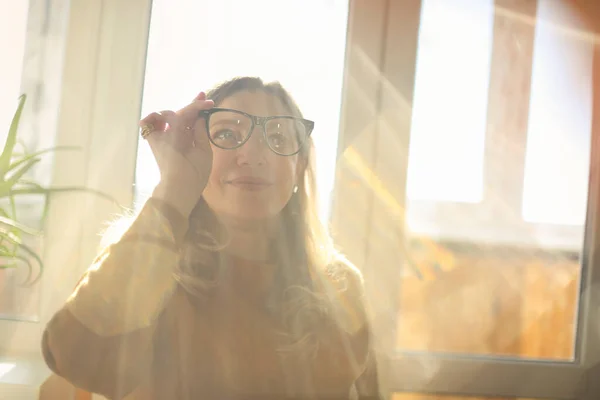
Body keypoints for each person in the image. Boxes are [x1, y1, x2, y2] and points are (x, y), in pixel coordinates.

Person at [41, 77, 380, 399]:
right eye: (229, 135)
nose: (253, 155)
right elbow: (77, 358)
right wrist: (175, 188)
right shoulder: (146, 268)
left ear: (300, 165)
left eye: (277, 139)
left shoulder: (341, 287)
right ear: (196, 150)